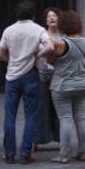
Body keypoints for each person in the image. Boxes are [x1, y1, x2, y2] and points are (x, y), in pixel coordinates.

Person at [0, 0, 50, 164]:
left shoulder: (9, 30)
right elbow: (50, 47)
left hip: (12, 76)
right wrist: (37, 55)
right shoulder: (38, 29)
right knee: (31, 115)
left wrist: (11, 60)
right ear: (33, 14)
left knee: (10, 116)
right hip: (30, 75)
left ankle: (9, 153)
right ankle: (26, 153)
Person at [45, 9, 85, 164]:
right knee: (81, 118)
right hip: (82, 84)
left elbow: (50, 61)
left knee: (65, 119)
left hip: (63, 85)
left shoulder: (61, 43)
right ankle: (82, 152)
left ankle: (64, 154)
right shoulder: (84, 41)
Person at [34, 8, 63, 151]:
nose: (51, 18)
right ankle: (39, 138)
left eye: (54, 16)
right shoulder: (41, 35)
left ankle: (61, 138)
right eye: (49, 16)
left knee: (58, 108)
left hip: (59, 76)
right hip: (42, 75)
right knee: (41, 107)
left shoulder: (63, 36)